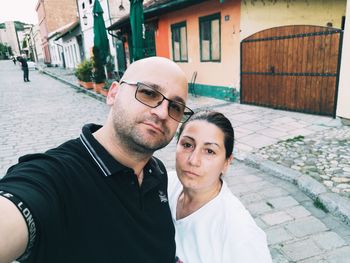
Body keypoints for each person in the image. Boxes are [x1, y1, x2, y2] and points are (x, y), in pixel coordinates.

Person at [0, 56, 193, 263]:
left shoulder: (157, 172)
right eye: (148, 93)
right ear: (113, 93)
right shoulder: (57, 176)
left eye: (175, 107)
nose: (163, 112)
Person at [168, 111, 272, 263]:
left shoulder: (239, 232)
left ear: (226, 162)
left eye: (209, 151)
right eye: (187, 145)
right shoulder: (166, 185)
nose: (193, 160)